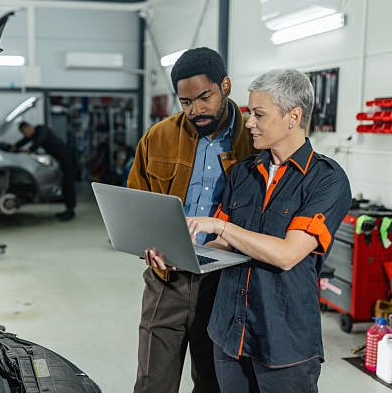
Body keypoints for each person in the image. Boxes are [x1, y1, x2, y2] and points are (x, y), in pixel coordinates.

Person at [180, 69, 351, 392]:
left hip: (283, 341)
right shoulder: (243, 173)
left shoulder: (326, 180)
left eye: (259, 114)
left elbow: (288, 254)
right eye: (248, 113)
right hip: (229, 332)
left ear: (293, 116)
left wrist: (222, 227)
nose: (249, 123)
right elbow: (222, 245)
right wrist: (183, 252)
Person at [127, 47, 256, 393]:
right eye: (185, 102)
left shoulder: (253, 143)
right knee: (152, 382)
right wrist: (147, 246)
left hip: (224, 281)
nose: (196, 110)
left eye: (204, 97)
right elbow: (137, 204)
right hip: (166, 277)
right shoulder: (158, 138)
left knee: (215, 380)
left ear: (225, 86)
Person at [10, 122, 76, 221]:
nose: (25, 135)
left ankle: (70, 211)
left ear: (30, 127)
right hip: (61, 159)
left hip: (67, 157)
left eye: (25, 132)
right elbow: (25, 140)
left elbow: (38, 142)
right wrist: (15, 146)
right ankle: (68, 210)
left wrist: (29, 149)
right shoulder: (34, 133)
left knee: (68, 184)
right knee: (64, 184)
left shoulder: (41, 129)